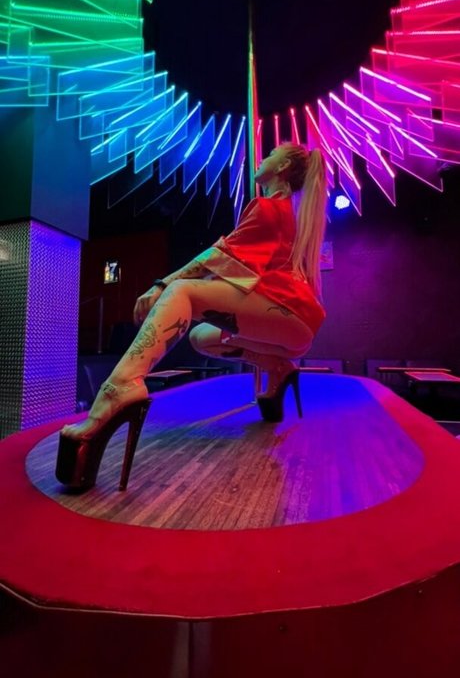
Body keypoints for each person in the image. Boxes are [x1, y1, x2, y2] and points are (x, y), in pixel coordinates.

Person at [56, 143, 328, 490]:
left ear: (284, 165)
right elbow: (236, 271)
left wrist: (162, 284)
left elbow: (217, 257)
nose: (261, 159)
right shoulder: (286, 212)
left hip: (288, 312)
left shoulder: (269, 207)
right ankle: (278, 367)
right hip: (294, 325)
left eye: (270, 155)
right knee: (202, 337)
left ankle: (119, 387)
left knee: (182, 291)